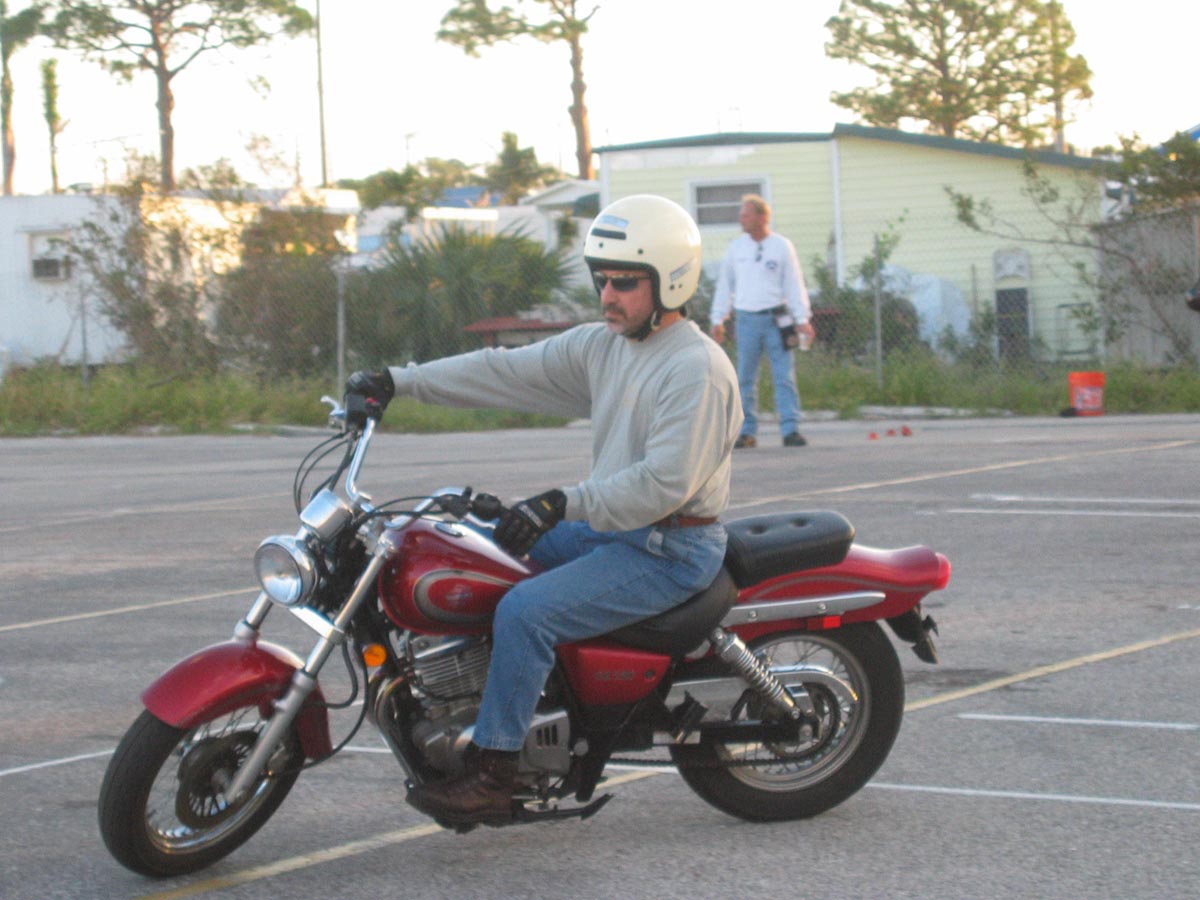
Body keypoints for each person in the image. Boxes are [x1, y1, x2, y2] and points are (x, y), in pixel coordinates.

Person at [346, 194, 742, 827]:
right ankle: (466, 702)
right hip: (611, 530)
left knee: (526, 611)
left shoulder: (696, 368)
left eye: (624, 282)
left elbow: (663, 485)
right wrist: (399, 380)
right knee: (473, 543)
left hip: (668, 548)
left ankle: (493, 774)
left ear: (671, 280)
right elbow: (502, 371)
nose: (607, 295)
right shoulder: (606, 346)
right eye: (601, 279)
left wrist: (563, 503)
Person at [709, 194, 815, 448]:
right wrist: (718, 318)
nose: (741, 219)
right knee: (745, 377)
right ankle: (746, 431)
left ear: (762, 217)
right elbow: (725, 285)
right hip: (747, 319)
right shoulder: (736, 248)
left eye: (746, 215)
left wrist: (802, 318)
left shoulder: (781, 246)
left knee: (784, 376)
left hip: (778, 319)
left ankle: (790, 429)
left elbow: (794, 283)